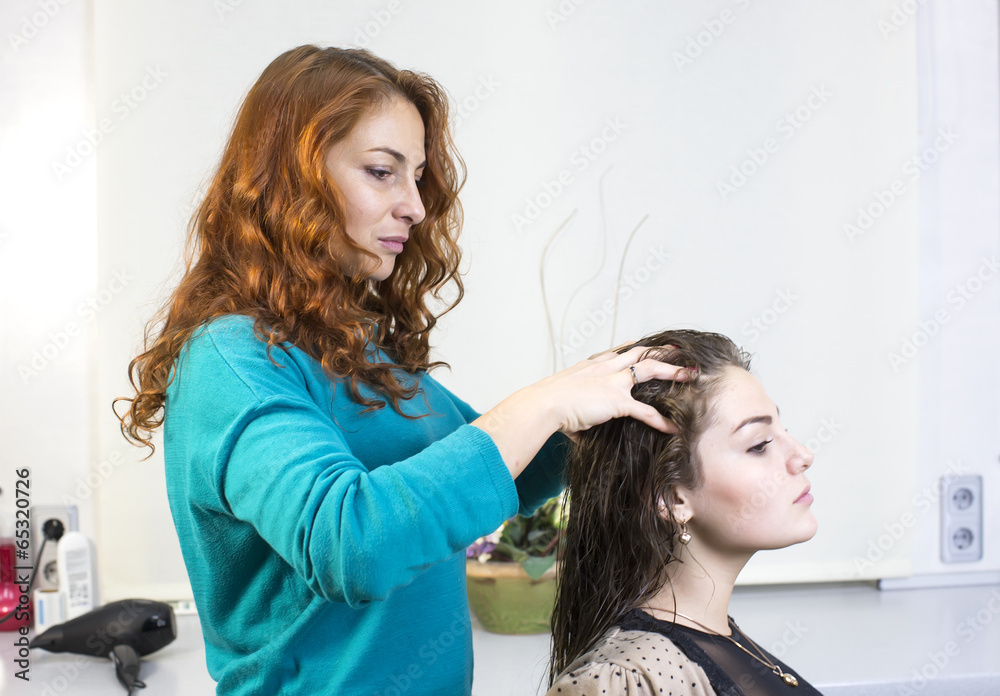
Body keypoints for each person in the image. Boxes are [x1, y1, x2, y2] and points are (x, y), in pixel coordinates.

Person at [114, 45, 689, 696]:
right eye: (383, 172)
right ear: (290, 179)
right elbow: (352, 543)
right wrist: (543, 404)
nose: (415, 206)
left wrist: (616, 403)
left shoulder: (358, 350)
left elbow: (495, 471)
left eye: (416, 177)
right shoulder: (232, 361)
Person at [547, 330, 823, 695]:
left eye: (783, 430)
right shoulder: (626, 680)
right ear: (671, 497)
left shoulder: (721, 638)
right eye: (759, 445)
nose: (804, 455)